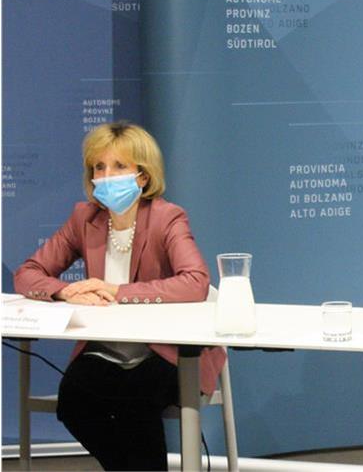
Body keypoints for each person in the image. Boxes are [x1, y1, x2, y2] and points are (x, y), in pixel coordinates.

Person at [14, 122, 226, 471]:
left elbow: (195, 281)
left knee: (134, 401)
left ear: (143, 176)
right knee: (74, 402)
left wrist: (117, 291)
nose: (106, 176)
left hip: (165, 349)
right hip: (106, 351)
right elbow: (27, 273)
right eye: (99, 167)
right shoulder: (85, 218)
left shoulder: (166, 217)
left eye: (119, 166)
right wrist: (63, 291)